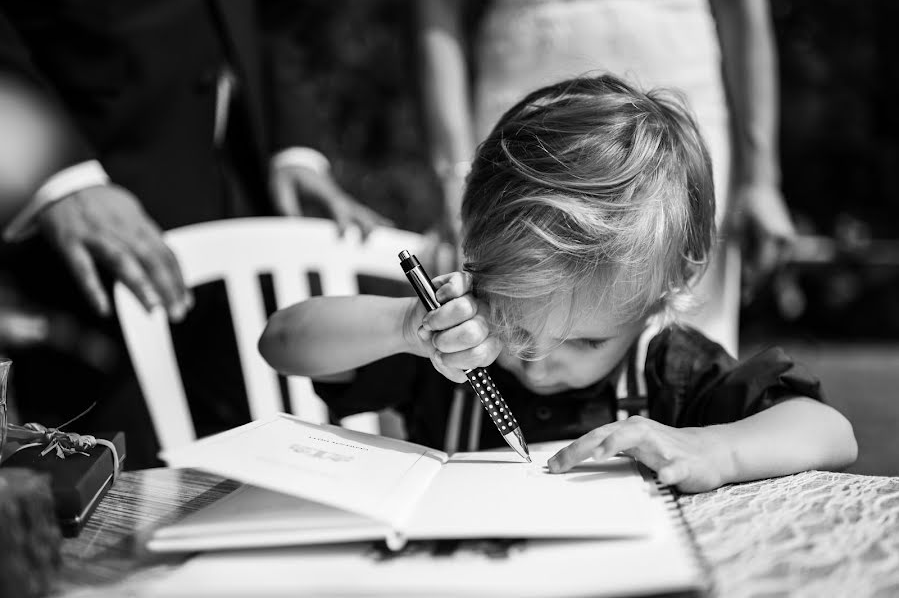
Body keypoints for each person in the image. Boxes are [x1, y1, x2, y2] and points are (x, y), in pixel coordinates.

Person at [259, 75, 856, 492]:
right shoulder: (450, 348)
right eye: (515, 327)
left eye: (585, 343)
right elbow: (282, 342)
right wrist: (404, 328)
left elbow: (829, 431)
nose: (539, 365)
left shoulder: (669, 369)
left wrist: (715, 449)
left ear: (660, 295)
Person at [0, 0, 390, 467]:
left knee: (275, 480)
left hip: (243, 197)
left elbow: (272, 17)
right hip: (89, 228)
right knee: (108, 493)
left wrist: (294, 147)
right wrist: (58, 180)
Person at [417, 0, 796, 357]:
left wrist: (760, 178)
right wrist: (455, 174)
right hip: (526, 92)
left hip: (679, 77)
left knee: (681, 328)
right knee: (514, 312)